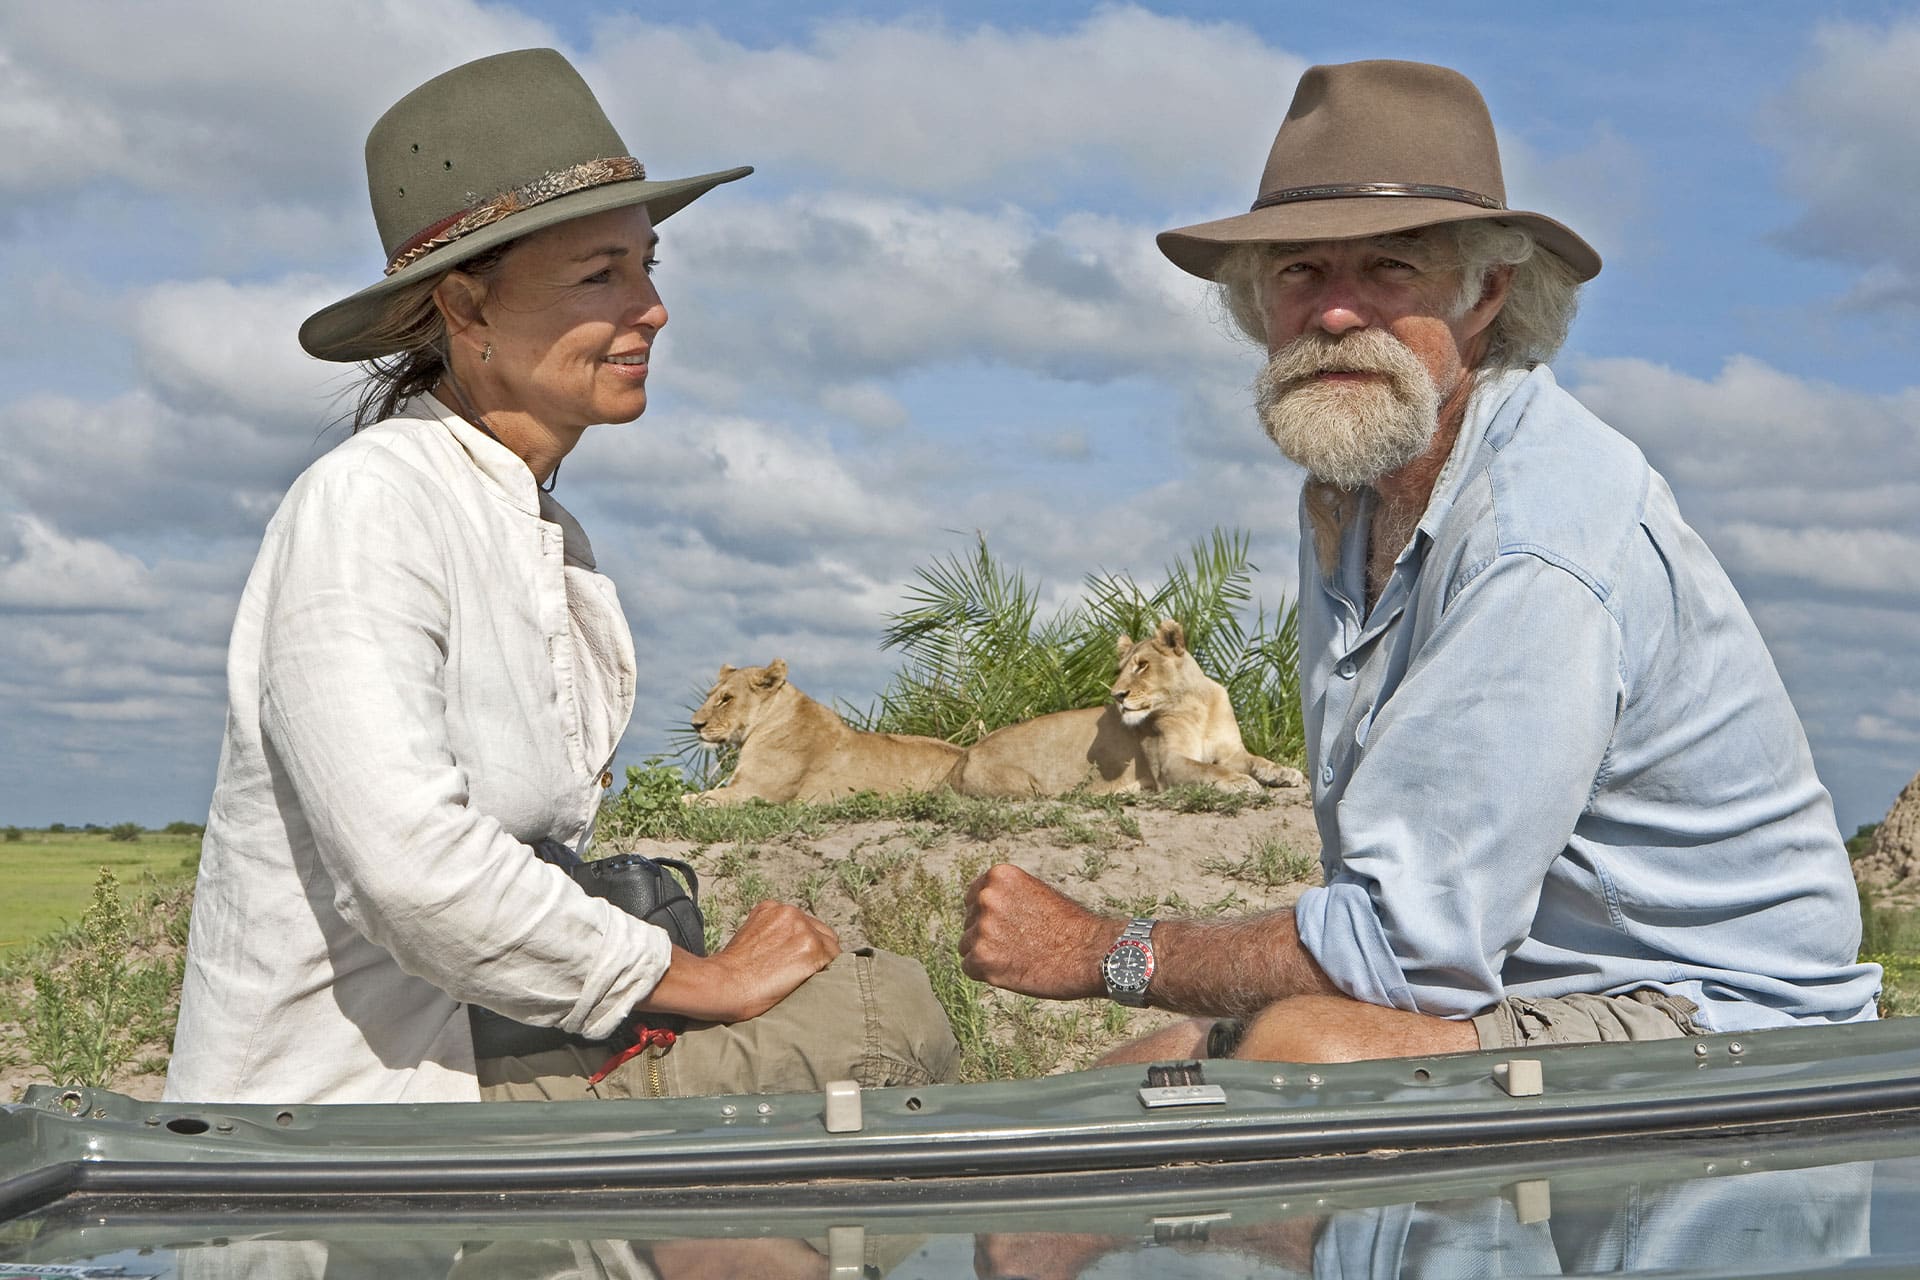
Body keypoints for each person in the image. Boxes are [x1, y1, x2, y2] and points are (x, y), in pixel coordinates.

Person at [959, 59, 1880, 1063]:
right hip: (1525, 995)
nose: (1337, 312)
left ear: (1488, 292)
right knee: (1143, 1072)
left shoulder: (1536, 534)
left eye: (1391, 267)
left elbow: (1403, 949)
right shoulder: (1352, 490)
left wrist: (1104, 950)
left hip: (1733, 1026)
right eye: (1300, 271)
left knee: (1303, 1053)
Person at [165, 49, 957, 1104]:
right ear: (465, 308)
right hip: (361, 1100)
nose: (652, 310)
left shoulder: (534, 525)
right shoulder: (367, 503)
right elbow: (411, 868)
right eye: (600, 275)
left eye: (648, 265)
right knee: (877, 1019)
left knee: (872, 989)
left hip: (480, 1045)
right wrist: (696, 978)